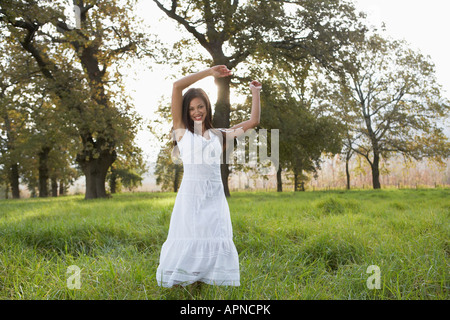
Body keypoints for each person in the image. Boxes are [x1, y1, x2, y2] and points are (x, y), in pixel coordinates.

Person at [156, 65, 262, 288]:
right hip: (191, 197)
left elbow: (253, 122)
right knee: (191, 238)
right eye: (192, 108)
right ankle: (184, 281)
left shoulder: (218, 135)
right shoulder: (182, 131)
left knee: (213, 238)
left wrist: (256, 93)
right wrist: (209, 73)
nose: (197, 111)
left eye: (201, 106)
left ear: (207, 108)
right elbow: (176, 86)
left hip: (215, 197)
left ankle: (206, 281)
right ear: (186, 112)